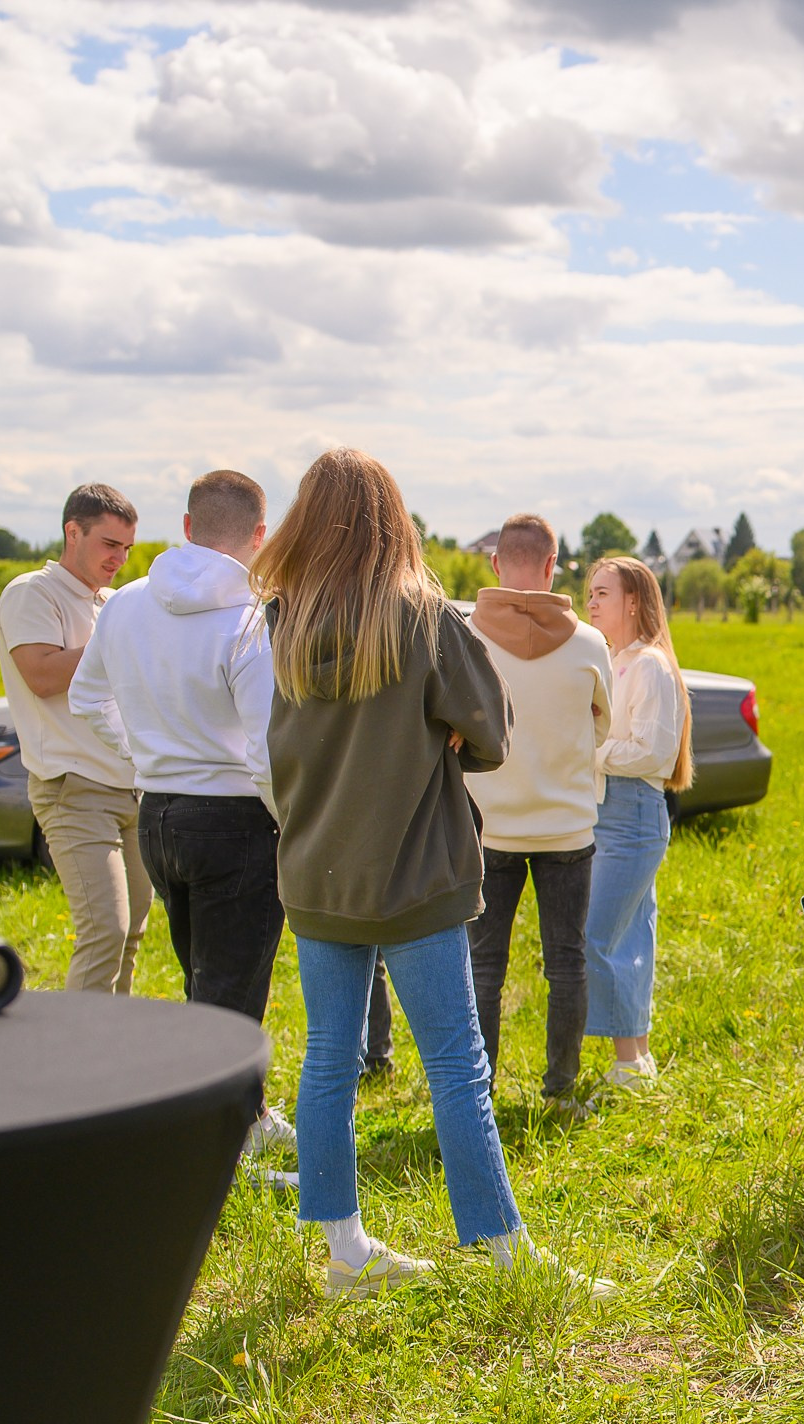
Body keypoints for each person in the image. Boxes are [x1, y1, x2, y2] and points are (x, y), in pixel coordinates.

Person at [256, 446, 606, 1297]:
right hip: (416, 873)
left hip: (317, 871)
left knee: (328, 1060)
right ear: (393, 520)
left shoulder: (282, 619)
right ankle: (504, 1251)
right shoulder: (428, 620)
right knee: (457, 1064)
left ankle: (344, 1250)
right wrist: (445, 730)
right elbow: (491, 734)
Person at [67, 468, 294, 1161]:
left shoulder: (126, 603)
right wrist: (292, 819)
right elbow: (264, 749)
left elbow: (85, 699)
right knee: (234, 990)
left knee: (201, 972)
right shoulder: (252, 616)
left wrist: (144, 757)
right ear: (259, 535)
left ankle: (240, 1109)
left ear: (188, 526)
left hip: (157, 813)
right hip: (236, 817)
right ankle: (218, 1139)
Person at [462, 514, 612, 1113]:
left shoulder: (468, 635)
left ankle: (478, 1092)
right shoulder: (589, 643)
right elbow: (606, 726)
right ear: (552, 567)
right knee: (566, 961)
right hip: (566, 826)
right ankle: (562, 1091)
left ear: (496, 564)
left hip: (489, 824)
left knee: (484, 967)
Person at [0, 484, 150, 993]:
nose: (119, 559)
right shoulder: (31, 592)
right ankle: (79, 1060)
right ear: (72, 532)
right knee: (106, 930)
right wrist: (117, 639)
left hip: (132, 789)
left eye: (127, 548)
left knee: (133, 933)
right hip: (74, 788)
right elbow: (40, 675)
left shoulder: (110, 603)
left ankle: (111, 1052)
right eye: (110, 544)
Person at [585, 558, 693, 1089]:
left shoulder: (648, 665)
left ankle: (626, 1060)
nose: (591, 602)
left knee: (596, 935)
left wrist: (588, 749)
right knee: (631, 933)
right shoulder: (612, 661)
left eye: (603, 592)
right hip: (610, 810)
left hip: (631, 812)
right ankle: (638, 1058)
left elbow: (653, 752)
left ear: (634, 601)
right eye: (590, 592)